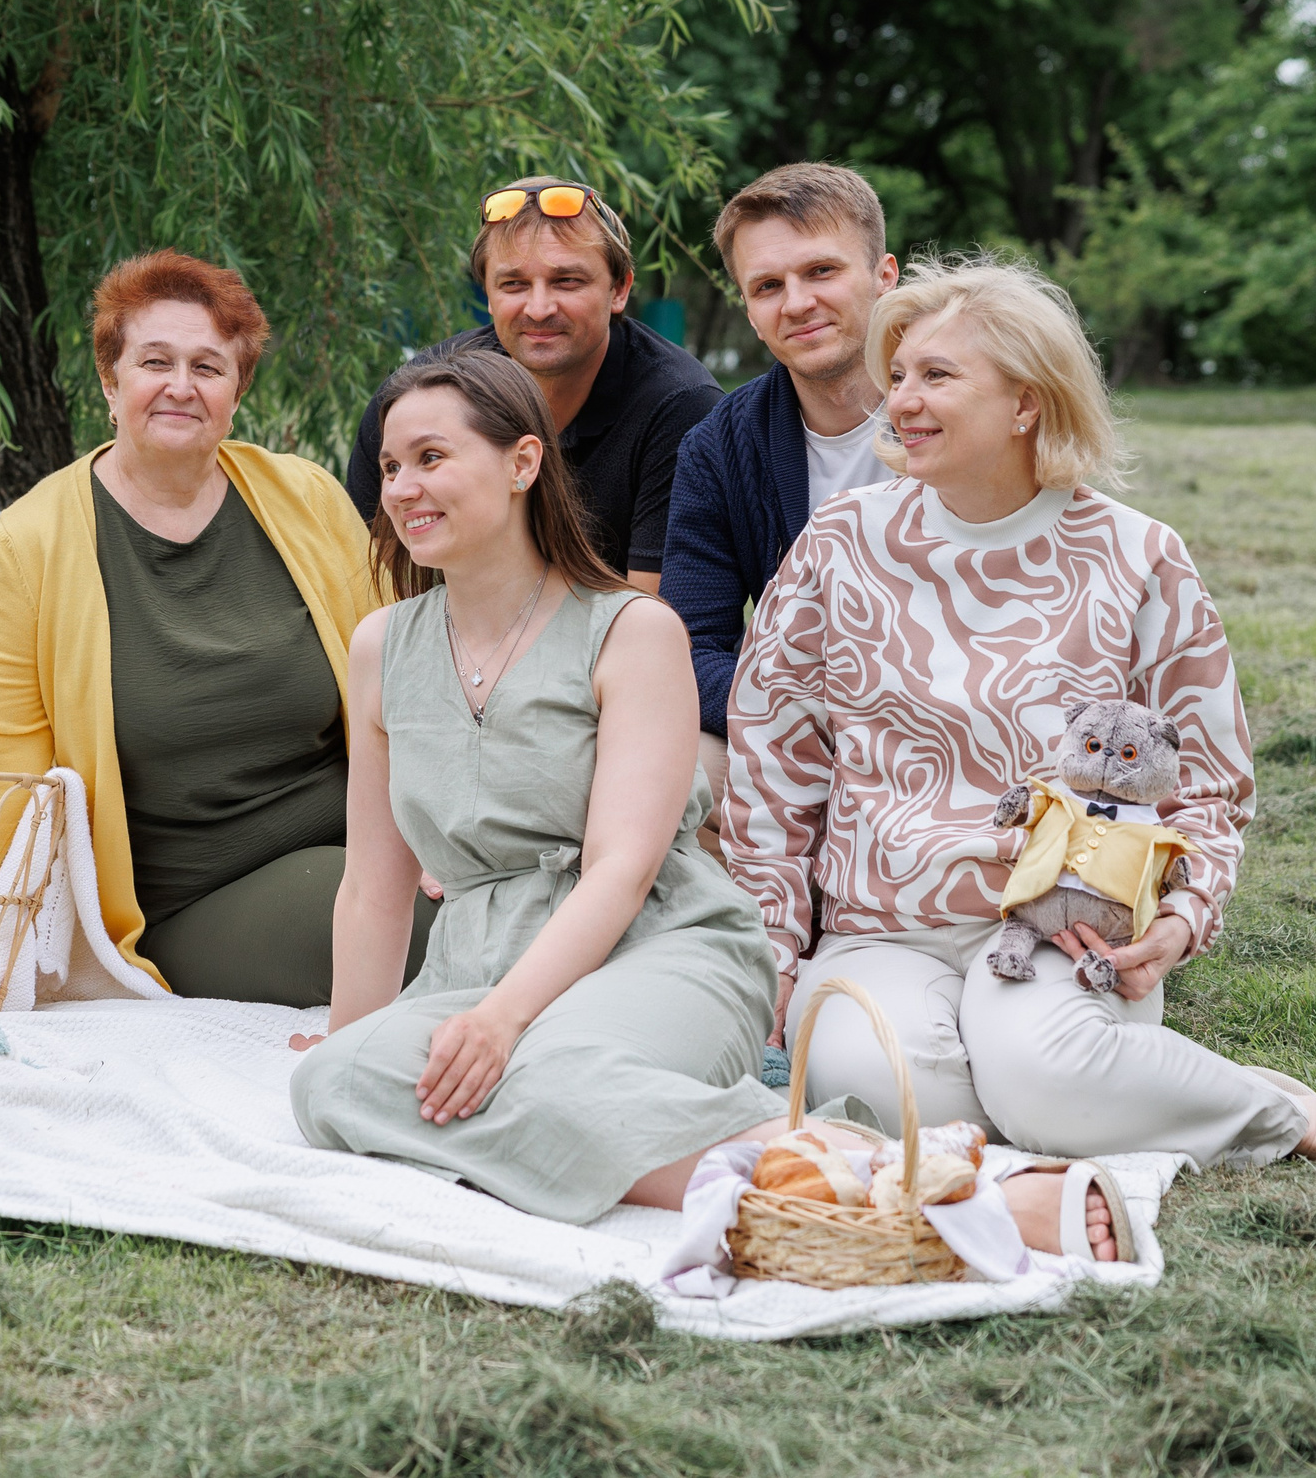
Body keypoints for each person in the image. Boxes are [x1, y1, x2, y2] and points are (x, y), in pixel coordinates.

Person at [720, 257, 1316, 1226]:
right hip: (880, 923)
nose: (898, 398)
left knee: (1041, 1076)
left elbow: (1207, 782)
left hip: (1061, 922)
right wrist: (774, 950)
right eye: (896, 374)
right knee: (892, 1092)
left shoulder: (1138, 556)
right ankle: (1130, 1092)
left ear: (1026, 401)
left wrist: (1182, 917)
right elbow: (774, 763)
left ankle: (1294, 1113)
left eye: (935, 376)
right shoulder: (838, 544)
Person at [290, 348, 786, 1223]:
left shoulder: (633, 631)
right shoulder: (380, 648)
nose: (402, 487)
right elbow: (374, 891)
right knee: (332, 1083)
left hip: (660, 944)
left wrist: (503, 1021)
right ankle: (662, 1147)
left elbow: (622, 871)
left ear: (523, 462)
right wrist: (356, 1036)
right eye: (391, 466)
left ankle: (886, 1180)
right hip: (473, 964)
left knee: (553, 1076)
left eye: (432, 458)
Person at [0, 251, 388, 1007]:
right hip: (201, 894)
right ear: (110, 380)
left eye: (208, 367)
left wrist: (433, 833)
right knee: (444, 923)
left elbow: (406, 677)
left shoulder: (307, 497)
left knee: (508, 882)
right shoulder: (33, 543)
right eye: (154, 361)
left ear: (237, 391)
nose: (180, 386)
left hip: (366, 839)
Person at [346, 179, 722, 592]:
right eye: (514, 285)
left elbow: (661, 626)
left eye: (567, 281)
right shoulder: (416, 402)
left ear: (619, 290)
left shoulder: (679, 407)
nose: (539, 309)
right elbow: (382, 593)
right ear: (488, 296)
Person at [660, 163, 901, 808]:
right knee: (662, 775)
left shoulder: (967, 407)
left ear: (885, 277)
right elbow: (690, 644)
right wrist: (805, 721)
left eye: (821, 271)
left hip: (982, 726)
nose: (796, 303)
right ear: (750, 308)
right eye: (768, 285)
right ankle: (766, 904)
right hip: (801, 738)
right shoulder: (719, 449)